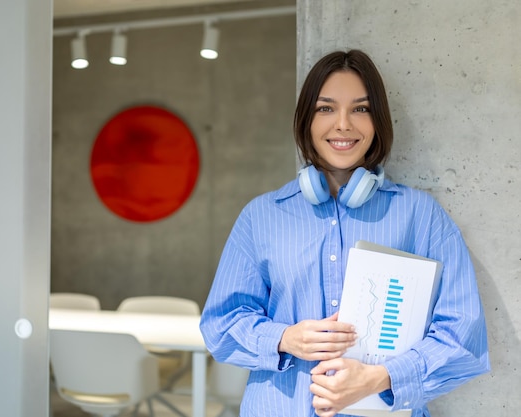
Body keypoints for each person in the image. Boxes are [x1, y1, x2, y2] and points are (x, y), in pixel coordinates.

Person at [199, 49, 490, 417]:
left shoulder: (421, 215)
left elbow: (463, 337)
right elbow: (220, 325)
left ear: (377, 120)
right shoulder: (261, 216)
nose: (343, 124)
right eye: (325, 108)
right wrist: (285, 338)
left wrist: (381, 378)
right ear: (306, 119)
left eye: (360, 109)